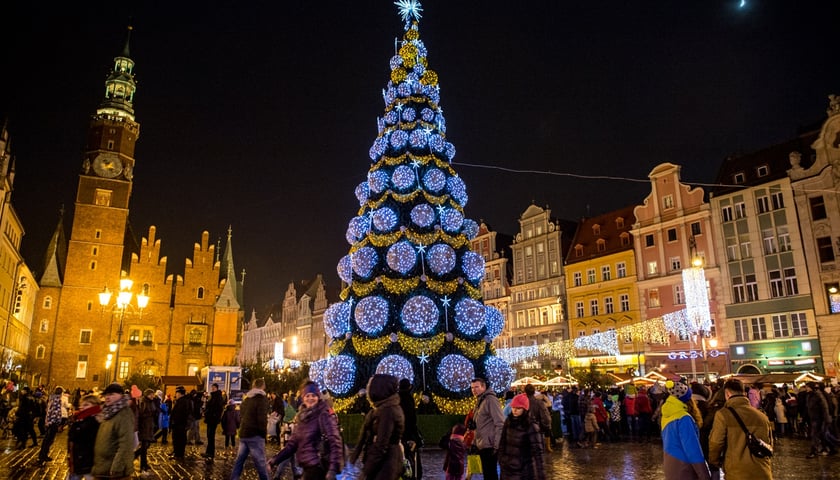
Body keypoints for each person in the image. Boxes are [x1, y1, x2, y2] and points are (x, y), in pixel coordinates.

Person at [268, 381, 343, 480]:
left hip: (320, 469)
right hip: (307, 469)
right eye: (307, 396)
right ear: (303, 398)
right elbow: (292, 444)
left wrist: (333, 469)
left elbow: (335, 441)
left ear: (318, 397)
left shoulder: (323, 414)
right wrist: (274, 460)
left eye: (313, 395)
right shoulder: (302, 417)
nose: (310, 398)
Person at [708, 379, 773, 479]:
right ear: (744, 393)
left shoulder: (723, 415)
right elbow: (769, 444)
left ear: (727, 394)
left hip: (737, 472)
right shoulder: (762, 416)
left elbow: (716, 443)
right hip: (762, 471)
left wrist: (714, 462)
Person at [350, 374, 405, 480]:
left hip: (386, 465)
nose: (367, 388)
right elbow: (364, 437)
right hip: (382, 463)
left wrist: (366, 471)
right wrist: (352, 460)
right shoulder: (379, 409)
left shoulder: (388, 411)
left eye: (370, 384)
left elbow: (381, 445)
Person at [660, 380, 710, 480]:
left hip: (670, 464)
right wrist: (704, 475)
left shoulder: (667, 414)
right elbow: (692, 450)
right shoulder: (684, 418)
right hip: (684, 467)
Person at [92, 383, 135, 479]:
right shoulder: (108, 412)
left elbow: (126, 443)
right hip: (102, 468)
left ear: (120, 395)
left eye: (111, 394)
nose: (107, 397)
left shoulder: (123, 414)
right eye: (106, 395)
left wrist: (117, 468)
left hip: (113, 472)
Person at [231, 377, 270, 480]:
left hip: (244, 433)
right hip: (255, 434)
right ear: (263, 386)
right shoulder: (261, 399)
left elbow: (242, 414)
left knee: (240, 460)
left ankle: (234, 478)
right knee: (260, 462)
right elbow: (262, 419)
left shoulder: (247, 398)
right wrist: (263, 434)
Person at [498, 393, 545, 479]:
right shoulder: (508, 421)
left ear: (525, 409)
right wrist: (502, 460)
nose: (514, 410)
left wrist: (541, 474)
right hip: (507, 469)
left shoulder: (531, 425)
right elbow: (502, 442)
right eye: (513, 407)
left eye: (518, 408)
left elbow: (538, 452)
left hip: (524, 470)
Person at [469, 377, 504, 480]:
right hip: (483, 444)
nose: (474, 390)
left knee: (490, 474)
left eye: (477, 387)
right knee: (487, 474)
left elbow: (500, 423)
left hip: (490, 445)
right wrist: (474, 443)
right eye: (472, 388)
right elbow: (479, 425)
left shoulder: (491, 400)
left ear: (483, 387)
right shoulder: (481, 400)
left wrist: (496, 446)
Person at [67, 394, 102, 480]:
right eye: (82, 404)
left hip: (89, 463)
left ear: (95, 405)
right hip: (77, 461)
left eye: (86, 405)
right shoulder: (80, 418)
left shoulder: (96, 421)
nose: (82, 407)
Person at [398, 378, 423, 479]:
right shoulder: (409, 399)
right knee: (411, 460)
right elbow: (412, 420)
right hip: (408, 435)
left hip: (399, 435)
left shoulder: (396, 398)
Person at [37, 386, 65, 465]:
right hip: (53, 422)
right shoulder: (56, 400)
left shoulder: (52, 399)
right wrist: (54, 422)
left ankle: (44, 455)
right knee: (47, 440)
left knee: (49, 440)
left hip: (51, 422)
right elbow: (54, 412)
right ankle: (42, 457)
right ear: (61, 393)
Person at [523, 384, 552, 452]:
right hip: (537, 429)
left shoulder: (523, 402)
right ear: (534, 391)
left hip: (526, 429)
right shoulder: (539, 403)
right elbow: (545, 416)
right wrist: (547, 425)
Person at [137, 388, 158, 473]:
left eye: (153, 394)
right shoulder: (144, 402)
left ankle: (145, 463)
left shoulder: (151, 402)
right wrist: (150, 414)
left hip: (149, 425)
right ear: (147, 395)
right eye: (151, 394)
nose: (153, 396)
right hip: (144, 426)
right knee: (144, 447)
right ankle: (142, 465)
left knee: (146, 446)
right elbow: (141, 414)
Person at [203, 383, 225, 461]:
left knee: (211, 435)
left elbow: (219, 408)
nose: (212, 389)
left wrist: (215, 415)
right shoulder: (212, 396)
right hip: (210, 418)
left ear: (216, 388)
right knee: (209, 435)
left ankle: (210, 453)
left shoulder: (218, 397)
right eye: (212, 387)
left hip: (213, 419)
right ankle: (208, 451)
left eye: (213, 388)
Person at [169, 386, 191, 460]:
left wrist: (174, 422)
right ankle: (177, 452)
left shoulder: (183, 402)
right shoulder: (180, 401)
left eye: (177, 393)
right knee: (178, 439)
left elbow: (179, 414)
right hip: (179, 424)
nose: (176, 395)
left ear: (180, 394)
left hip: (179, 425)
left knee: (179, 439)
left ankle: (178, 454)